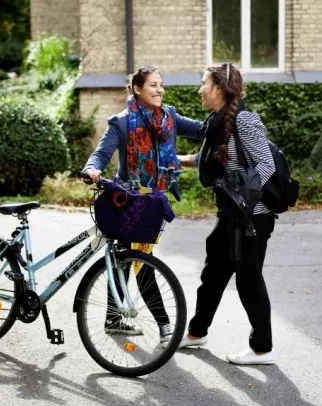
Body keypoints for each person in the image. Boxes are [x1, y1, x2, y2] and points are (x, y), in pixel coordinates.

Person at [83, 65, 203, 344]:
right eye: (153, 85)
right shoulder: (122, 122)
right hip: (128, 202)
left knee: (127, 258)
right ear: (137, 89)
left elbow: (200, 130)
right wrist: (91, 169)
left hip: (153, 202)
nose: (160, 89)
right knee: (141, 262)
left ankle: (113, 318)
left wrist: (230, 119)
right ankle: (164, 326)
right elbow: (101, 153)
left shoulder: (169, 117)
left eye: (161, 84)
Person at [177, 63, 277, 365]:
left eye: (203, 83)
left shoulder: (244, 121)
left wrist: (241, 200)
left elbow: (267, 165)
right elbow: (211, 160)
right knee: (214, 272)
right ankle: (197, 332)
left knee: (248, 280)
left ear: (219, 88)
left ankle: (262, 349)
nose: (199, 89)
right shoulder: (218, 123)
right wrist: (174, 160)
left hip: (252, 217)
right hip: (232, 215)